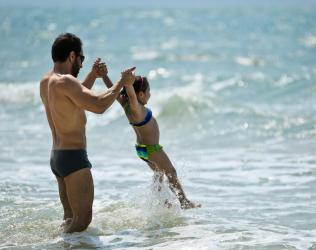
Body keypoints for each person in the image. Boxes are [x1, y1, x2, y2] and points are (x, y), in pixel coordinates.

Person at [39, 32, 136, 233]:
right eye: (81, 59)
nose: (82, 65)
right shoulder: (66, 81)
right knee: (82, 220)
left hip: (58, 157)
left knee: (70, 219)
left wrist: (93, 76)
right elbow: (98, 106)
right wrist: (122, 82)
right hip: (73, 158)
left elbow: (74, 98)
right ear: (72, 56)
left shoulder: (47, 81)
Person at [101, 72, 200, 209]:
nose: (150, 94)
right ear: (140, 94)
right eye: (148, 91)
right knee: (171, 172)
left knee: (159, 175)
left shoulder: (126, 105)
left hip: (142, 150)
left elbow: (114, 90)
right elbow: (131, 95)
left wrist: (104, 76)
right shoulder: (136, 108)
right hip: (152, 149)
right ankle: (184, 202)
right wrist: (128, 83)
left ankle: (162, 204)